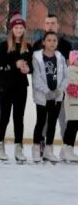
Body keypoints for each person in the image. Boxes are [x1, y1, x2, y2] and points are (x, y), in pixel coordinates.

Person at [0, 11, 32, 163]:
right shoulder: (3, 46)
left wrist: (28, 69)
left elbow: (32, 66)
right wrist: (13, 65)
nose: (19, 30)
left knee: (19, 118)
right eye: (16, 28)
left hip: (21, 87)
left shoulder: (27, 47)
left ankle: (18, 147)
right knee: (4, 116)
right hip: (5, 87)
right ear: (11, 29)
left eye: (21, 28)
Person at [32, 13, 72, 139]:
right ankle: (42, 145)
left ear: (58, 26)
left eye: (53, 23)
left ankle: (66, 148)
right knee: (44, 120)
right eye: (48, 23)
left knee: (63, 119)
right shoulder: (37, 45)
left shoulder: (66, 45)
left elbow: (68, 68)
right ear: (44, 25)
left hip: (61, 91)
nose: (50, 26)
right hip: (44, 91)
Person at [31, 30, 67, 163]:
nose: (52, 43)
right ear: (44, 42)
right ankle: (36, 149)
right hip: (43, 96)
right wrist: (47, 91)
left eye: (54, 40)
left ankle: (48, 150)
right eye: (49, 40)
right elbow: (36, 78)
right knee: (40, 122)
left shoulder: (60, 57)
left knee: (52, 123)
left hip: (56, 96)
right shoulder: (37, 57)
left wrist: (60, 90)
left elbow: (65, 76)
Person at [60, 51, 78, 163]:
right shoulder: (71, 71)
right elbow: (71, 88)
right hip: (72, 104)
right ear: (72, 61)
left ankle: (67, 150)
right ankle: (67, 149)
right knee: (72, 127)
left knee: (74, 127)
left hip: (76, 105)